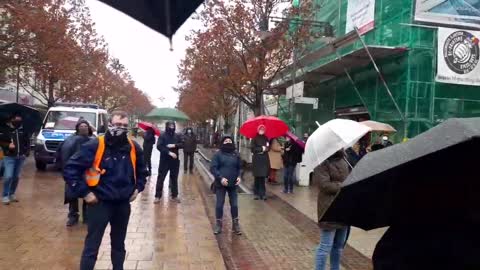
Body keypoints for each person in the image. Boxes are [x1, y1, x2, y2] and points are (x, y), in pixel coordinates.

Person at [63, 111, 147, 270]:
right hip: (100, 203)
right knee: (92, 246)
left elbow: (143, 171)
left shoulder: (133, 147)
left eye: (124, 125)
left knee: (119, 245)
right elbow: (70, 169)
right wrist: (85, 193)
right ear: (109, 124)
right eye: (117, 125)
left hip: (122, 205)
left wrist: (138, 188)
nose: (120, 128)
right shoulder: (95, 145)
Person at [314, 150, 350, 270]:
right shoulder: (322, 163)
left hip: (344, 207)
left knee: (339, 246)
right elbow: (324, 185)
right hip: (328, 207)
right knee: (325, 246)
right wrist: (343, 186)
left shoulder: (345, 160)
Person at [60, 120, 94, 226]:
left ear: (89, 128)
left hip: (88, 172)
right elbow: (64, 154)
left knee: (87, 194)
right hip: (74, 172)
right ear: (77, 128)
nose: (83, 128)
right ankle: (73, 216)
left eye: (85, 126)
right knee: (72, 194)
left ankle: (87, 216)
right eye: (81, 126)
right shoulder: (70, 140)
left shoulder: (93, 140)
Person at [210, 136, 242, 235]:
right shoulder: (218, 155)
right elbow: (213, 168)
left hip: (233, 184)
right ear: (222, 142)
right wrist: (220, 178)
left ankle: (235, 224)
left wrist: (239, 176)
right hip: (221, 184)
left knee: (234, 205)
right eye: (226, 141)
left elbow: (240, 167)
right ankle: (218, 224)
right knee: (219, 204)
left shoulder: (236, 154)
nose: (228, 142)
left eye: (230, 141)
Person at [0, 113, 30, 205]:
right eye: (16, 119)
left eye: (20, 119)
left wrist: (26, 152)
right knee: (8, 176)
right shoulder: (5, 129)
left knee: (16, 177)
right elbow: (0, 141)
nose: (18, 121)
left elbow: (27, 142)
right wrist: (8, 145)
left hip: (20, 157)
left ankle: (12, 194)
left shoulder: (23, 130)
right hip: (9, 157)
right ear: (12, 119)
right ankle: (5, 195)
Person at [155, 121, 183, 204]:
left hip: (174, 161)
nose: (171, 127)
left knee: (174, 178)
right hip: (164, 160)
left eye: (173, 125)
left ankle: (174, 195)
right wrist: (169, 152)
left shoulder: (177, 135)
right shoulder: (162, 135)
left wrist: (175, 145)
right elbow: (159, 146)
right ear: (167, 126)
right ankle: (157, 196)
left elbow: (182, 144)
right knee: (161, 178)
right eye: (170, 125)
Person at [250, 125, 270, 201]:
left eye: (263, 129)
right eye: (260, 129)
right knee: (257, 178)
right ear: (258, 130)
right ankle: (256, 193)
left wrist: (266, 148)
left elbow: (268, 147)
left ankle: (263, 193)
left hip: (264, 159)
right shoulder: (254, 138)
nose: (262, 130)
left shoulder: (266, 138)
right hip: (257, 159)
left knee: (262, 177)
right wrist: (261, 148)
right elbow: (252, 148)